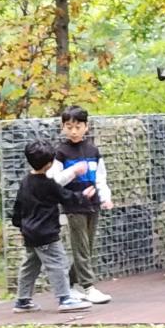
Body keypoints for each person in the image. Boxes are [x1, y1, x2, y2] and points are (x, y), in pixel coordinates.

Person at [11, 140, 95, 312]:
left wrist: (20, 226)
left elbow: (18, 207)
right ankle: (65, 298)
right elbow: (66, 196)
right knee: (59, 263)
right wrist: (83, 196)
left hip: (30, 233)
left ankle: (23, 300)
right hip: (46, 234)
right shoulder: (48, 184)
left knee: (30, 266)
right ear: (49, 164)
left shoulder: (25, 182)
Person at [48, 106, 114, 304]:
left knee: (87, 247)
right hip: (73, 205)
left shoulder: (93, 150)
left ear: (86, 126)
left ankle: (69, 284)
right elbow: (54, 180)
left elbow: (100, 177)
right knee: (81, 247)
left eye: (78, 127)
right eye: (69, 127)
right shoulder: (61, 152)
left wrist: (105, 197)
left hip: (92, 204)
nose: (74, 131)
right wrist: (73, 172)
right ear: (63, 127)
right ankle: (88, 287)